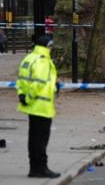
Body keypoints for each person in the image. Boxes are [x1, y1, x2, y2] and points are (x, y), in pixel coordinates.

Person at [16, 36, 60, 178]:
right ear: (47, 46)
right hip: (41, 106)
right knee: (41, 139)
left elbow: (21, 81)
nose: (51, 49)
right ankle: (41, 168)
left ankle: (34, 168)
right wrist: (29, 98)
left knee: (33, 138)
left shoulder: (29, 58)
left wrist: (23, 96)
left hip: (32, 106)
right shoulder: (42, 60)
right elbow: (39, 83)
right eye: (51, 46)